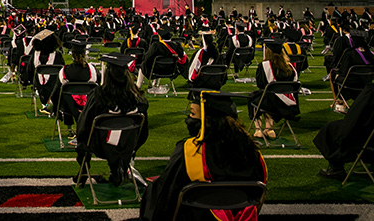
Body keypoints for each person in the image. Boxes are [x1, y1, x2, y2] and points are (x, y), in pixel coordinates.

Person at [140, 91, 267, 221]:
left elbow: (167, 190)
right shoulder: (252, 152)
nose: (189, 118)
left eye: (192, 114)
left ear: (206, 121)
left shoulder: (191, 150)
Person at [75, 53, 148, 187]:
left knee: (85, 139)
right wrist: (133, 146)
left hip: (100, 147)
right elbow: (143, 132)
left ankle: (84, 170)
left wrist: (81, 142)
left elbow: (83, 125)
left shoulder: (98, 95)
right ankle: (120, 169)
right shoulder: (138, 99)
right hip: (127, 146)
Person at [314, 83, 374, 179]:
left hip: (366, 140)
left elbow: (355, 119)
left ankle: (336, 168)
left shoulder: (371, 91)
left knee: (330, 129)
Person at [247, 39, 298, 139]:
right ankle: (269, 129)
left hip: (273, 104)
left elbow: (260, 84)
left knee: (255, 97)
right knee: (267, 95)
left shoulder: (265, 66)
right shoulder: (290, 67)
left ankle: (258, 129)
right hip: (290, 105)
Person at [49, 40, 99, 139]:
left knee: (64, 96)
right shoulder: (93, 71)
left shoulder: (64, 71)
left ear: (72, 55)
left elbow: (55, 93)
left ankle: (70, 129)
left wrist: (54, 108)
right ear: (85, 54)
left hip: (67, 108)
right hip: (89, 107)